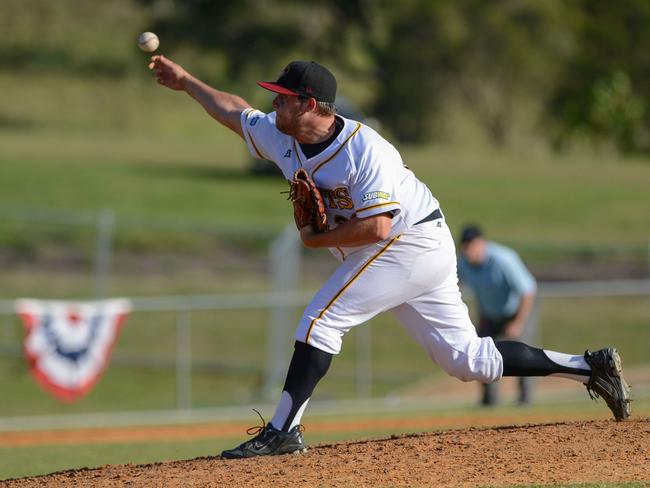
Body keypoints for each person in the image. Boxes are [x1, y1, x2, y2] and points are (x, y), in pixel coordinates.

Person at [148, 56, 631, 459]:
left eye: (282, 96)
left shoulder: (363, 150)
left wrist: (317, 240)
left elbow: (379, 226)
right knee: (467, 361)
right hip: (415, 248)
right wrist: (186, 82)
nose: (273, 103)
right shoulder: (283, 134)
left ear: (309, 104)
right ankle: (591, 366)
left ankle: (283, 430)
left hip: (408, 242)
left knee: (321, 319)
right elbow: (235, 112)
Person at [458, 224, 538, 406]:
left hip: (517, 309)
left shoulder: (503, 259)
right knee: (480, 353)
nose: (469, 250)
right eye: (465, 246)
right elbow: (480, 291)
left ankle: (526, 399)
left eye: (472, 244)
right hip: (490, 314)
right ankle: (489, 400)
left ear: (482, 243)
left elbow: (528, 291)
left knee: (524, 353)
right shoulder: (463, 263)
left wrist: (518, 322)